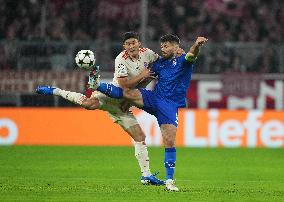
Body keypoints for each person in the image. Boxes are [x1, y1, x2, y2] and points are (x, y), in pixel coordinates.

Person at [36, 32, 165, 185]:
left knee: (140, 137)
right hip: (111, 95)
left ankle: (146, 175)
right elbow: (124, 85)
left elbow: (162, 64)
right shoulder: (121, 59)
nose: (131, 46)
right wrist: (144, 75)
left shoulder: (148, 54)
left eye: (134, 43)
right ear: (124, 46)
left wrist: (175, 55)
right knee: (87, 104)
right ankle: (55, 90)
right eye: (128, 44)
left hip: (123, 105)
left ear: (139, 43)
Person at [87, 34, 208, 191]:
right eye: (162, 46)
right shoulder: (159, 63)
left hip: (169, 106)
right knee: (129, 93)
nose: (163, 48)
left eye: (167, 46)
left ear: (176, 47)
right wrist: (130, 98)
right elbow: (141, 80)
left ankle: (169, 181)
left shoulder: (183, 60)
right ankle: (97, 85)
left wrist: (197, 45)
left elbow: (192, 54)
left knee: (169, 141)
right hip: (153, 98)